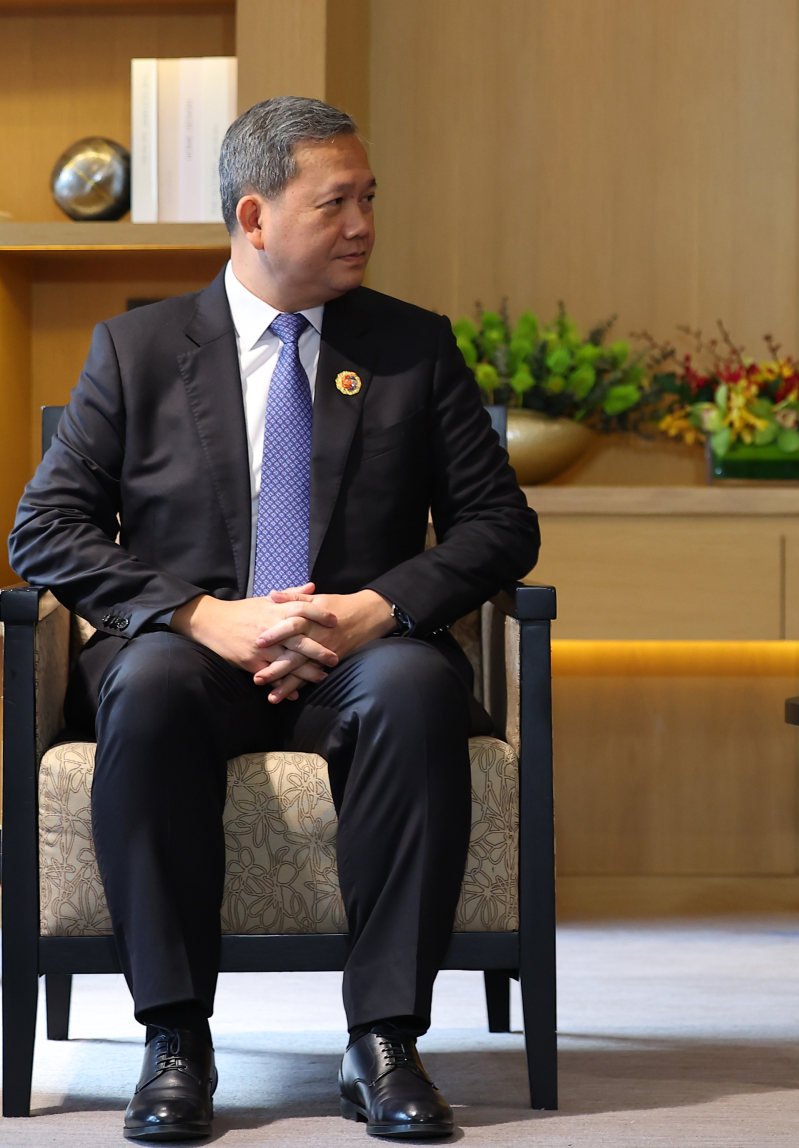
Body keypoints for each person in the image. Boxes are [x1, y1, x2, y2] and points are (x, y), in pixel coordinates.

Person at [10, 95, 539, 1142]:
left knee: (417, 684)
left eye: (368, 199)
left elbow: (499, 525)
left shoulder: (412, 347)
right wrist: (199, 614)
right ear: (254, 218)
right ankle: (174, 1039)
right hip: (191, 652)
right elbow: (46, 529)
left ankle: (384, 1038)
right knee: (150, 685)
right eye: (335, 202)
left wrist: (382, 608)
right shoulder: (138, 348)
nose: (363, 225)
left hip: (360, 656)